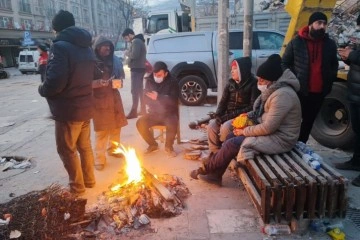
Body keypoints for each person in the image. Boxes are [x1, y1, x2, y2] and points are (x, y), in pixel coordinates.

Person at [190, 54, 302, 185]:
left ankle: (206, 169)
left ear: (271, 81)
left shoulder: (282, 96)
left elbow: (268, 127)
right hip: (272, 132)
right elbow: (258, 115)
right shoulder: (275, 91)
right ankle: (215, 174)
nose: (259, 83)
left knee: (233, 143)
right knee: (231, 135)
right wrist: (246, 119)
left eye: (261, 80)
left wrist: (245, 131)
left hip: (281, 138)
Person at [38, 10, 96, 195]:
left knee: (67, 149)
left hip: (68, 110)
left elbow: (55, 82)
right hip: (86, 106)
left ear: (56, 29)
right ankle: (89, 180)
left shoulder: (60, 47)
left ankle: (77, 188)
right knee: (85, 147)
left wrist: (42, 89)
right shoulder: (86, 46)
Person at [281, 12, 338, 143]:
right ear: (311, 25)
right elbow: (284, 63)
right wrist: (294, 79)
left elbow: (333, 65)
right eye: (319, 23)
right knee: (293, 122)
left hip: (319, 92)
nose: (322, 26)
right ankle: (289, 146)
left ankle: (302, 147)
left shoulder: (329, 44)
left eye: (324, 24)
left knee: (308, 122)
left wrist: (329, 82)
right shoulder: (296, 42)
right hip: (299, 91)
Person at [207, 57, 260, 153]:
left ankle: (225, 151)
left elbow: (252, 107)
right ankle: (215, 152)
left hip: (242, 117)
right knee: (212, 125)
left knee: (226, 127)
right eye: (232, 69)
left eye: (235, 69)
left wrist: (227, 117)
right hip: (227, 115)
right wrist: (218, 115)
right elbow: (223, 102)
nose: (232, 71)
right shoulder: (230, 83)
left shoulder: (253, 84)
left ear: (242, 70)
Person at [92, 36, 128, 171]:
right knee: (101, 132)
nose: (107, 48)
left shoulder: (115, 61)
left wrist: (118, 83)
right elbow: (84, 83)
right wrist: (97, 83)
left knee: (116, 128)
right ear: (97, 48)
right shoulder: (91, 63)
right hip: (99, 101)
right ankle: (99, 159)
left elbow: (119, 79)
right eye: (104, 46)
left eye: (109, 46)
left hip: (114, 98)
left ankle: (113, 149)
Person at [336, 14, 360, 186]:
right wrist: (349, 58)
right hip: (355, 93)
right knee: (358, 131)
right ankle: (356, 162)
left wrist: (352, 55)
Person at [136, 61, 179, 157]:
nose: (156, 77)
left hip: (169, 113)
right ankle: (153, 145)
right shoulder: (150, 80)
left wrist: (159, 97)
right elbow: (145, 98)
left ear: (166, 73)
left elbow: (173, 100)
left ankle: (169, 146)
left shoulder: (173, 81)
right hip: (154, 113)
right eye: (155, 74)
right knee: (140, 123)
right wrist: (147, 97)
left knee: (172, 122)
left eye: (159, 75)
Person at [122, 28, 147, 119]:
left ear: (129, 35)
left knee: (134, 91)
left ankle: (134, 112)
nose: (126, 40)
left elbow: (135, 55)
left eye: (126, 38)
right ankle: (143, 110)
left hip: (136, 69)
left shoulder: (136, 41)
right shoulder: (139, 41)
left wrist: (127, 52)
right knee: (139, 90)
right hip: (140, 68)